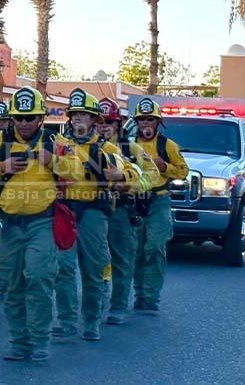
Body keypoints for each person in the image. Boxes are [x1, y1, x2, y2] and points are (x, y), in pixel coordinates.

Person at [0, 86, 84, 362]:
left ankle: (38, 340)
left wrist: (54, 161)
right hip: (8, 225)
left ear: (41, 118)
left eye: (30, 118)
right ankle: (19, 342)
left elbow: (78, 173)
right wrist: (2, 167)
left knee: (39, 278)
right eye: (20, 118)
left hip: (41, 223)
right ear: (13, 118)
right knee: (10, 284)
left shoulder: (55, 142)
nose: (24, 123)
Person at [52, 90, 139, 342]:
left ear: (94, 121)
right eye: (75, 114)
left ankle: (91, 320)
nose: (79, 118)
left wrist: (119, 176)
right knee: (63, 267)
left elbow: (134, 174)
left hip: (93, 212)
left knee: (93, 269)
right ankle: (67, 320)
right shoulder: (57, 143)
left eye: (84, 115)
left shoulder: (108, 149)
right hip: (65, 210)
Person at [97, 98, 160, 325]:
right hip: (92, 210)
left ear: (118, 124)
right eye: (99, 122)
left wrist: (130, 184)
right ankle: (93, 304)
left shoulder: (131, 149)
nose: (104, 127)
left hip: (121, 209)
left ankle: (118, 306)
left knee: (122, 260)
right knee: (92, 260)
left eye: (109, 122)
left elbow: (152, 176)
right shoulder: (86, 147)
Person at [131, 98, 188, 313]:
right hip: (135, 201)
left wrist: (164, 167)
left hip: (159, 201)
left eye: (150, 119)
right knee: (136, 250)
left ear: (158, 123)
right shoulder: (127, 145)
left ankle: (151, 297)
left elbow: (183, 171)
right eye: (142, 119)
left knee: (154, 248)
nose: (146, 123)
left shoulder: (168, 145)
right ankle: (139, 294)